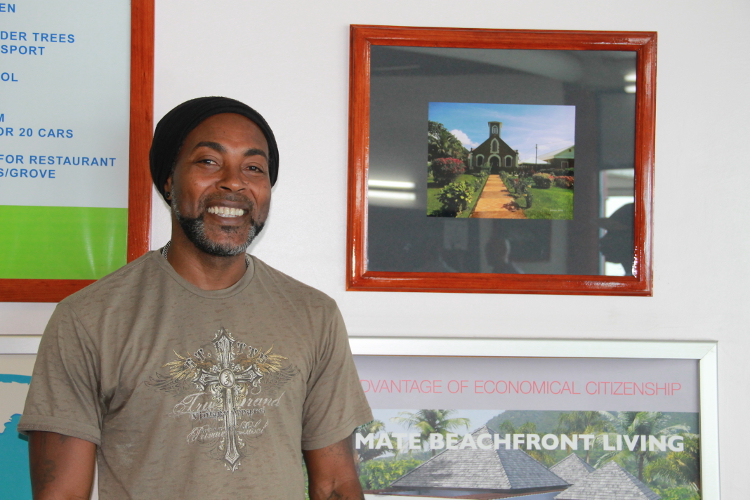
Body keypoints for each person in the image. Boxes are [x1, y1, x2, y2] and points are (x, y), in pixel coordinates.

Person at [19, 97, 373, 499]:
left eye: (253, 168)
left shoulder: (314, 314)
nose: (234, 182)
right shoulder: (88, 318)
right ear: (168, 179)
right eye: (208, 162)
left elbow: (335, 485)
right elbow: (60, 495)